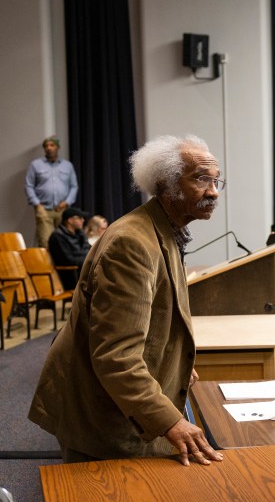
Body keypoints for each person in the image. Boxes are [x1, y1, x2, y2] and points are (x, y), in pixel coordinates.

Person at [29, 134, 225, 467]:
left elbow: (155, 318)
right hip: (98, 415)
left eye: (216, 180)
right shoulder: (131, 244)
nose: (213, 191)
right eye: (201, 179)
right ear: (166, 184)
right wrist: (170, 421)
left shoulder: (165, 231)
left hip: (115, 401)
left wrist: (176, 365)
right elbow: (116, 355)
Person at [24, 136, 79, 248]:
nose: (48, 148)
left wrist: (67, 202)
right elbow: (28, 185)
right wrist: (37, 204)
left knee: (65, 241)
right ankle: (46, 266)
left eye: (51, 145)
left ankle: (61, 265)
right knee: (45, 242)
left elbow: (74, 186)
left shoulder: (67, 166)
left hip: (62, 210)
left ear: (57, 147)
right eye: (46, 146)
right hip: (44, 209)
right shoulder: (36, 164)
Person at [47, 207, 91, 290]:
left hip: (84, 271)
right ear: (70, 220)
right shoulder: (57, 236)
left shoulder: (80, 234)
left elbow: (90, 250)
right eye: (80, 218)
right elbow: (68, 260)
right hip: (71, 276)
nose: (83, 220)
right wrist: (89, 259)